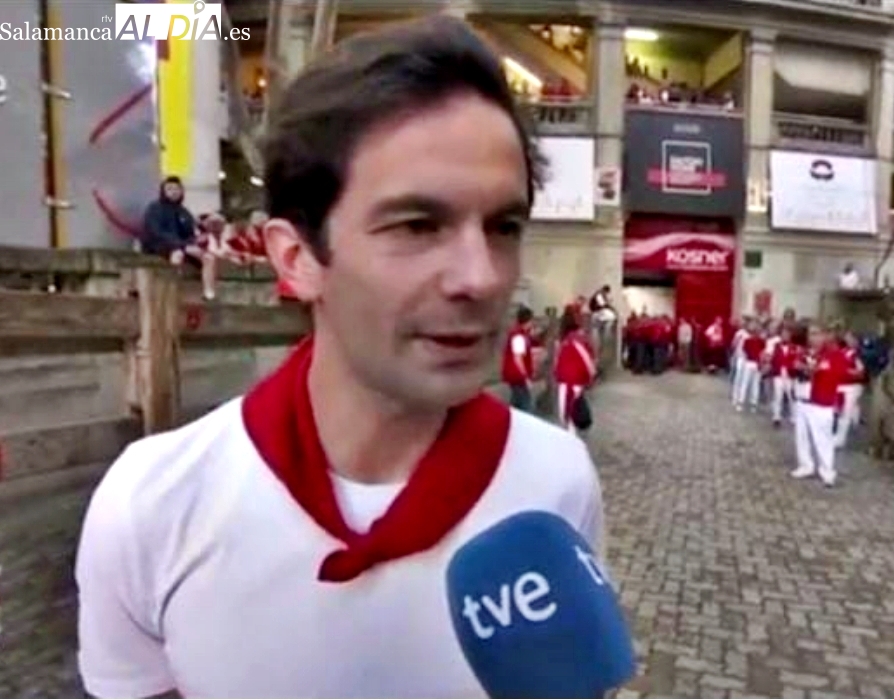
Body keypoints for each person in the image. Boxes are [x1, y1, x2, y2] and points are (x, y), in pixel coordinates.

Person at [75, 17, 605, 699]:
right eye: (417, 225)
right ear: (296, 259)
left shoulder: (558, 479)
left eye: (503, 227)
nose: (481, 276)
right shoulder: (151, 503)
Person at [791, 324, 855, 487]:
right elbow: (795, 367)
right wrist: (800, 367)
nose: (813, 338)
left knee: (822, 439)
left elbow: (840, 373)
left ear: (825, 336)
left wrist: (818, 369)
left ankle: (827, 471)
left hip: (820, 402)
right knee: (802, 436)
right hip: (802, 398)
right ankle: (805, 465)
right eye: (811, 334)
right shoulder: (803, 352)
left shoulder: (834, 355)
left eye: (817, 334)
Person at [554, 310, 596, 434]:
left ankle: (570, 444)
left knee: (567, 417)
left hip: (569, 383)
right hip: (573, 381)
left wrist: (591, 376)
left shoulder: (571, 340)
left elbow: (587, 360)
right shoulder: (571, 340)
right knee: (570, 415)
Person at [141, 176, 197, 264]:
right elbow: (156, 232)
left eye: (177, 189)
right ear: (163, 191)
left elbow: (190, 232)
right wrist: (179, 244)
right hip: (159, 246)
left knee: (207, 256)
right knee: (178, 254)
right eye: (170, 189)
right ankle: (175, 276)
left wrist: (190, 243)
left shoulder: (184, 212)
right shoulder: (155, 208)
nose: (174, 192)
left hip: (182, 245)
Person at [834, 329, 866, 449]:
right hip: (840, 386)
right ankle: (843, 431)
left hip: (852, 386)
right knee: (840, 411)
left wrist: (847, 372)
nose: (848, 340)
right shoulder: (844, 351)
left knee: (845, 413)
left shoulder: (858, 354)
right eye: (847, 338)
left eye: (850, 338)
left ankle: (841, 438)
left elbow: (861, 373)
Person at [501, 305, 536, 412]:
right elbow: (518, 358)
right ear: (528, 320)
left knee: (517, 402)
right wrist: (526, 378)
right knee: (526, 404)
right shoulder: (519, 336)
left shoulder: (520, 334)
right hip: (517, 376)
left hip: (515, 375)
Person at [770, 325, 798, 427]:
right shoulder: (776, 346)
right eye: (783, 334)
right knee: (778, 396)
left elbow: (795, 360)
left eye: (787, 335)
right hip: (778, 374)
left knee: (791, 397)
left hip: (789, 375)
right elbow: (774, 359)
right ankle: (776, 416)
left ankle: (793, 417)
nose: (785, 336)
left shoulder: (794, 347)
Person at [733, 321, 765, 412]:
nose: (756, 332)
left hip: (757, 363)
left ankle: (753, 403)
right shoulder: (748, 341)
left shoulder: (761, 342)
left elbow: (762, 353)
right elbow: (744, 353)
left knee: (755, 384)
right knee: (745, 382)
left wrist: (761, 363)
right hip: (749, 362)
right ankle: (741, 401)